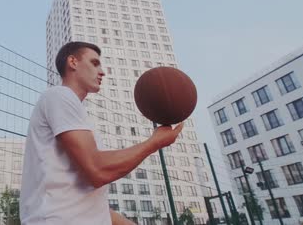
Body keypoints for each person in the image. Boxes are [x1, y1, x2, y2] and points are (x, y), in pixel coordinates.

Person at [20, 41, 184, 224]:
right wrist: (154, 142)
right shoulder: (59, 95)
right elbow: (97, 170)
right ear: (73, 62)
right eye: (94, 63)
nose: (102, 71)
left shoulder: (78, 116)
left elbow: (93, 206)